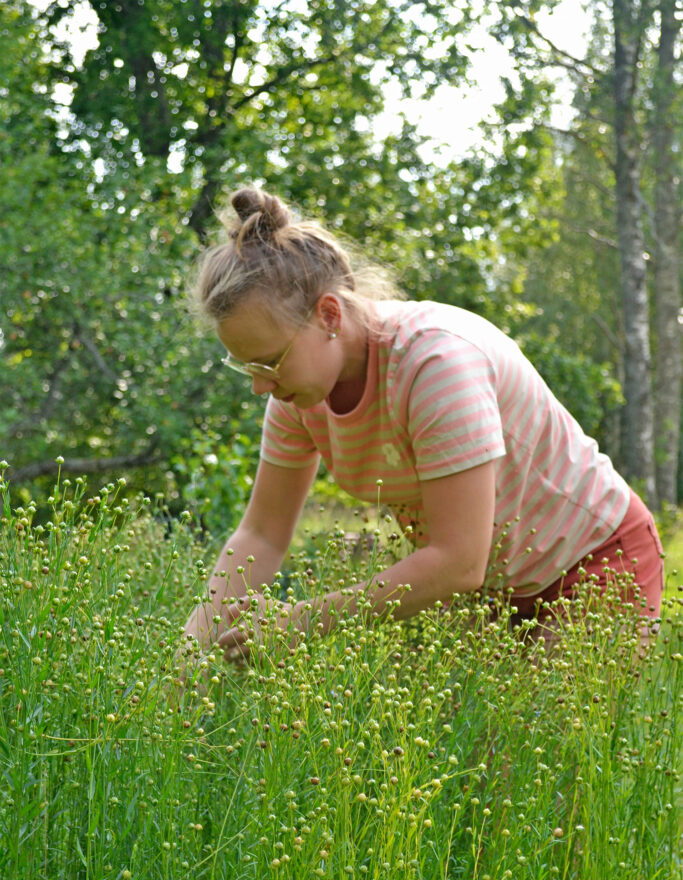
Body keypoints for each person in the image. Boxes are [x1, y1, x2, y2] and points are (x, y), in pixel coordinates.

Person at [182, 186, 664, 658]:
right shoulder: (296, 392)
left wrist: (301, 623)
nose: (259, 386)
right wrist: (184, 665)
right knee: (475, 739)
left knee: (542, 734)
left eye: (268, 362)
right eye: (247, 368)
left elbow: (458, 562)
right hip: (490, 597)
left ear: (328, 315)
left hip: (596, 565)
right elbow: (262, 533)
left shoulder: (436, 363)